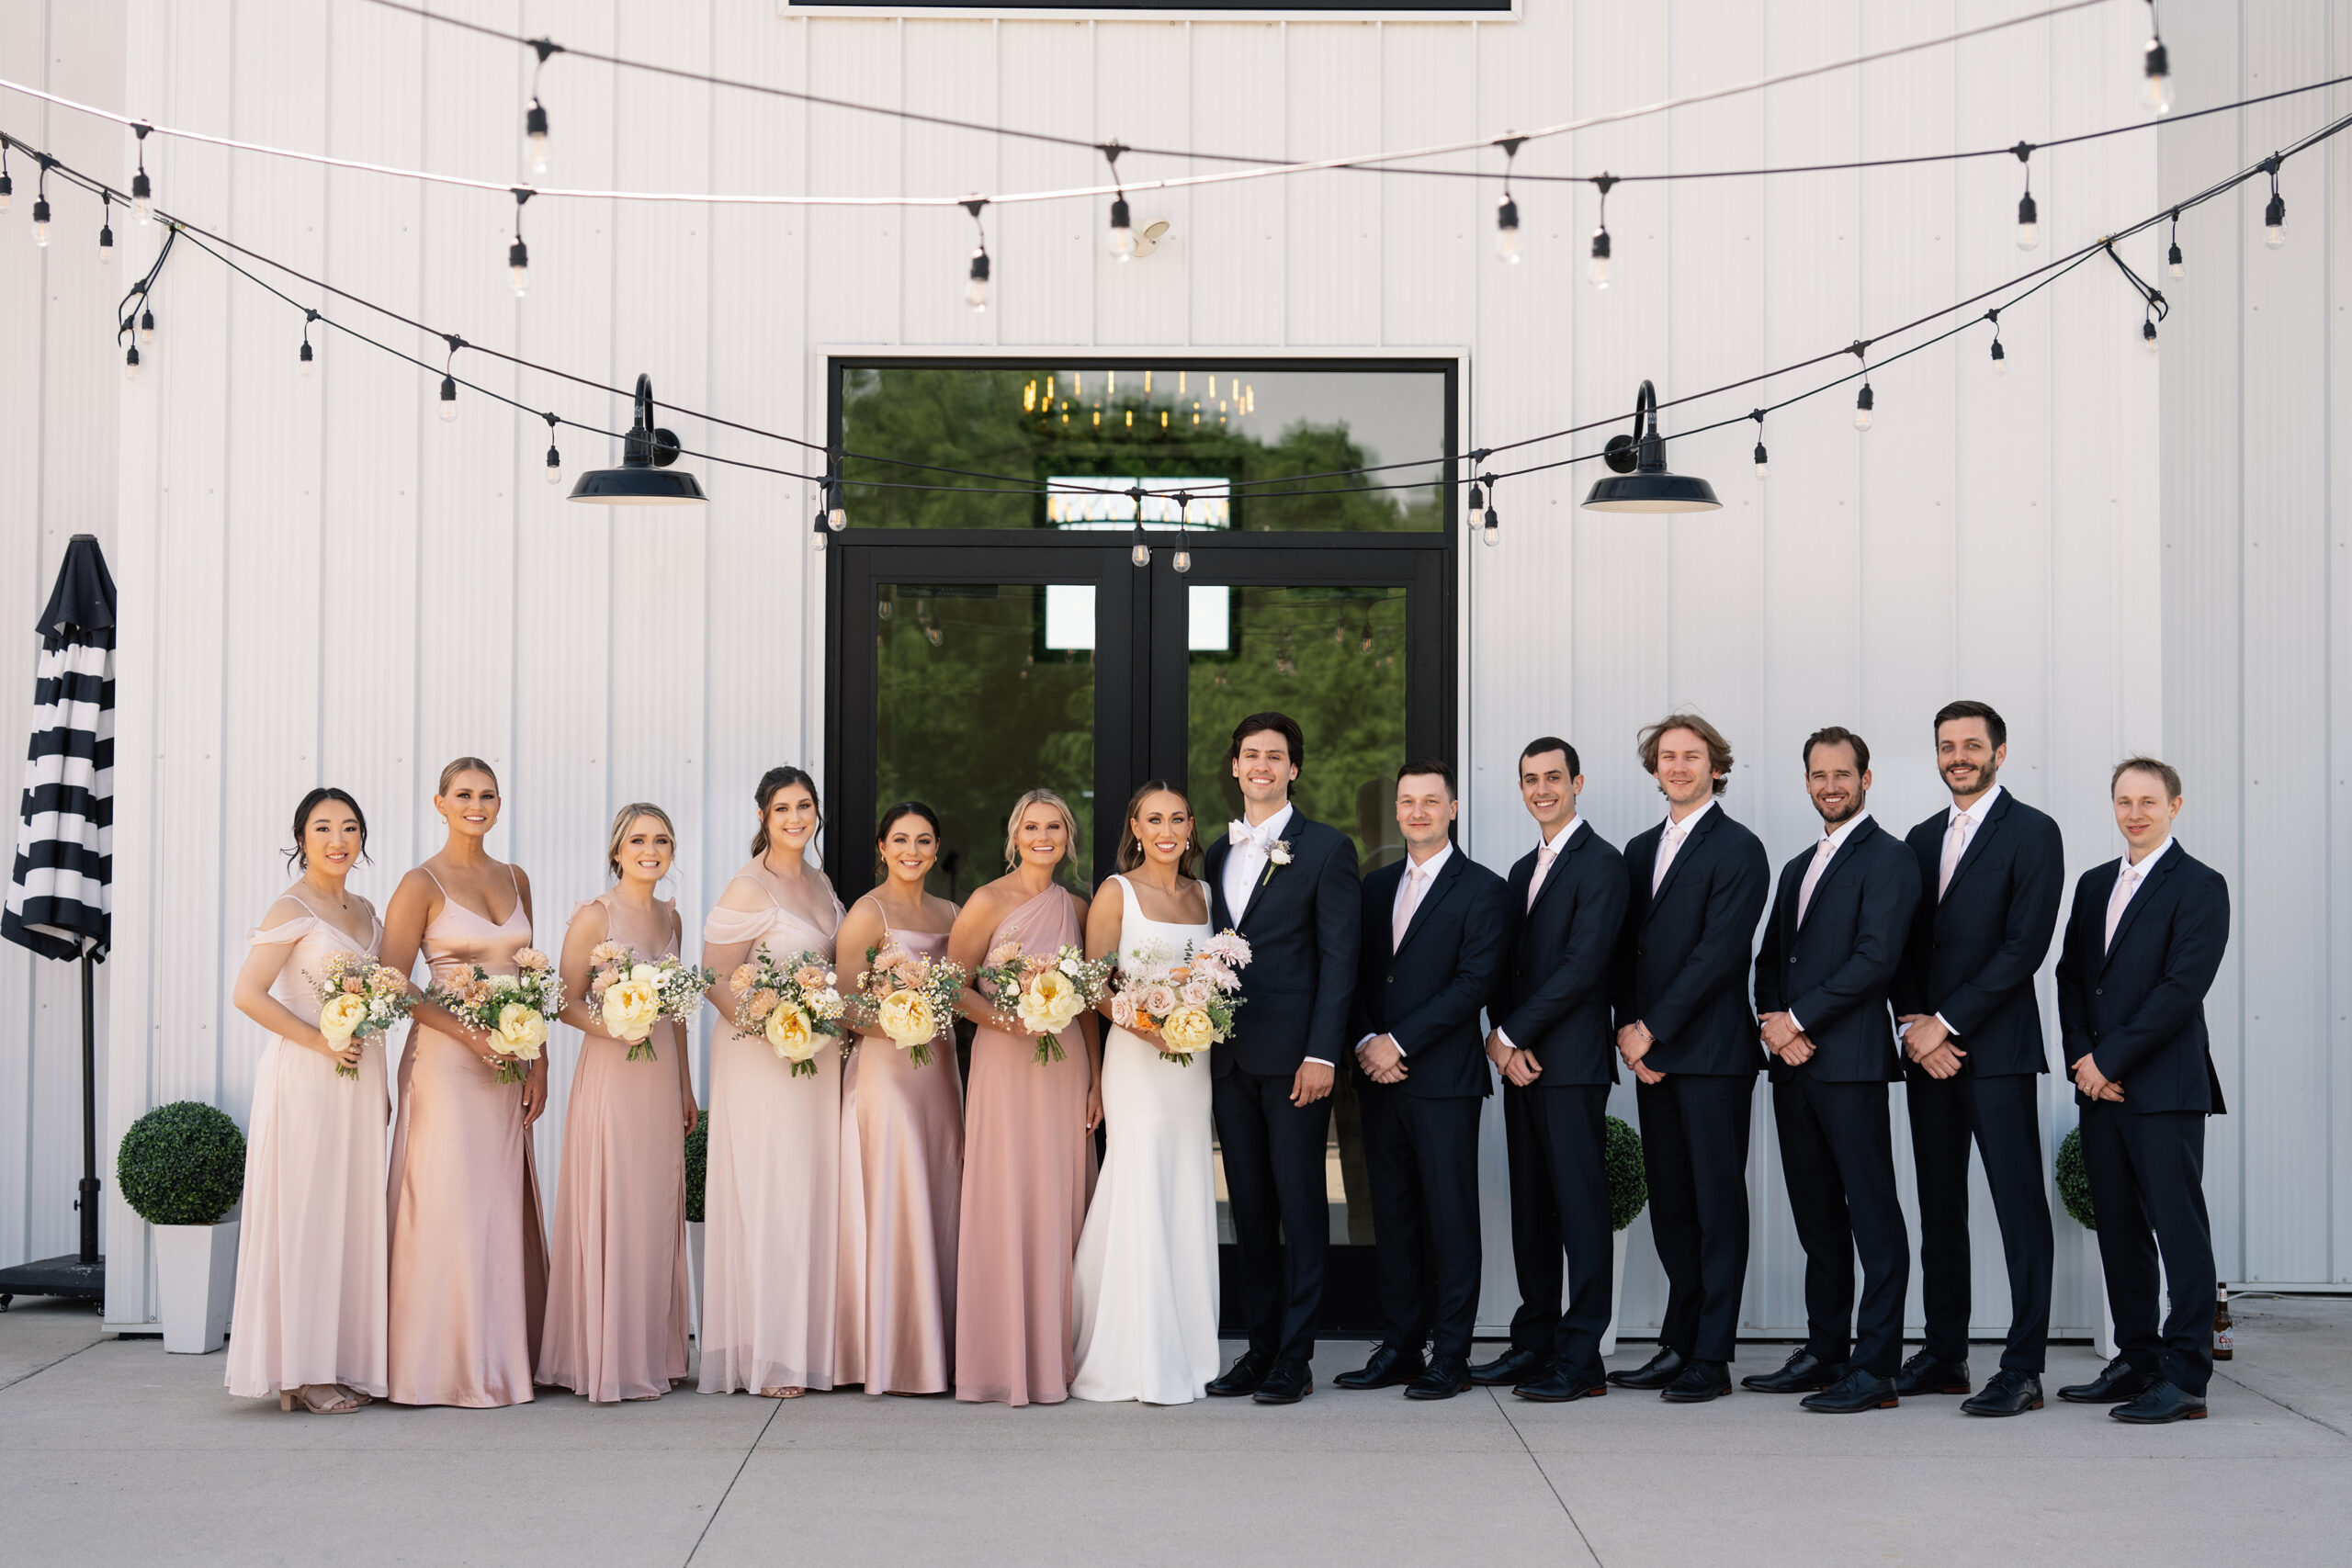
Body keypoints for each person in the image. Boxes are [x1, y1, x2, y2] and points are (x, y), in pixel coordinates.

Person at [1890, 701, 2064, 1416]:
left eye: (1971, 744)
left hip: (1993, 1052)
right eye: (1946, 745)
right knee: (1940, 1208)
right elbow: (1899, 941)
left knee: (2017, 1207)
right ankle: (1945, 1352)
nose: (1958, 755)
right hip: (1927, 1057)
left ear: (1999, 751)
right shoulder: (1920, 836)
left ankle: (2023, 1367)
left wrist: (1947, 1024)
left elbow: (2024, 947)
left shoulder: (2033, 832)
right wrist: (1912, 1029)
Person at [2054, 758, 2231, 1425]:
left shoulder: (2200, 885)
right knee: (2120, 1229)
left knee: (2179, 1230)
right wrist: (2082, 1059)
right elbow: (2070, 975)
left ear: (2175, 806)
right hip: (2099, 1088)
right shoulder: (2095, 883)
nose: (2134, 812)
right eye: (2124, 800)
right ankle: (2137, 1357)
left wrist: (2110, 1058)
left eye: (2148, 801)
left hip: (2163, 1087)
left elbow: (2180, 989)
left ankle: (2185, 1377)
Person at [1751, 727, 1919, 1415]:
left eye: (1842, 774)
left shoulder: (1891, 859)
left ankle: (1875, 1366)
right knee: (1816, 1216)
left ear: (1866, 778)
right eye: (1818, 774)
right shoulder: (1797, 866)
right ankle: (1826, 1349)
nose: (1830, 785)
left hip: (1848, 1064)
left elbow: (1876, 959)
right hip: (1794, 1069)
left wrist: (1800, 1020)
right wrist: (1773, 1025)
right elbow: (1769, 962)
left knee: (1871, 1215)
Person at [1201, 713, 1362, 1405]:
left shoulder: (1327, 848)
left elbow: (1339, 959)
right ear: (1234, 767)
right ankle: (1258, 1349)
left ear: (1294, 767)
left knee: (1301, 1206)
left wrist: (1323, 1051)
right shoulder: (1213, 852)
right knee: (1250, 1212)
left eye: (1275, 756)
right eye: (1250, 755)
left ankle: (1295, 1358)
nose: (1262, 765)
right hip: (1228, 1058)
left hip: (1298, 1060)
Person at [380, 757, 551, 1408]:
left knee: (496, 1202)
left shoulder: (516, 877)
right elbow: (393, 982)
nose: (474, 805)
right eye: (463, 795)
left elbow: (532, 974)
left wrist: (537, 1057)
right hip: (447, 1062)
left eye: (486, 795)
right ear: (440, 802)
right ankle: (436, 1365)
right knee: (447, 1199)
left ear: (499, 805)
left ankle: (501, 1358)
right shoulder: (419, 882)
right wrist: (469, 1033)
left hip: (510, 1060)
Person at [1337, 761, 1509, 1401]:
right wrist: (1363, 1042)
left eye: (1430, 801)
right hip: (1379, 1081)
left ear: (1453, 808)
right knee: (1396, 1217)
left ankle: (1453, 1354)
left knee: (1451, 1217)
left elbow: (1473, 984)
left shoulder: (1483, 889)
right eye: (1407, 801)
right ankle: (1401, 1346)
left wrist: (1397, 1042)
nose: (1416, 811)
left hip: (1442, 1079)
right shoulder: (1373, 886)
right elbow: (1349, 973)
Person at [1610, 715, 1770, 1404]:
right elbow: (1620, 949)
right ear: (1653, 769)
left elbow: (1719, 954)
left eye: (1691, 756)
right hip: (1653, 1056)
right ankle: (1677, 1342)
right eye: (1666, 757)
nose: (1678, 766)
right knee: (1672, 1203)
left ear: (1716, 766)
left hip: (1711, 1055)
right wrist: (1628, 1031)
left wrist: (1654, 1029)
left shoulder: (1740, 848)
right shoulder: (1639, 849)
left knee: (1716, 1205)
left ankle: (1712, 1352)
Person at [223, 788, 390, 1415]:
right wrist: (322, 1040)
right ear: (301, 838)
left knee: (348, 1216)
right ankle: (301, 1369)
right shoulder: (290, 906)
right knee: (307, 1215)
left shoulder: (368, 909)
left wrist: (385, 1083)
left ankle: (338, 1358)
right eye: (323, 827)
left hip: (361, 1076)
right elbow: (248, 992)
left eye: (349, 827)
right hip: (308, 1077)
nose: (337, 838)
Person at [1476, 739, 1630, 1404]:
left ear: (1578, 782)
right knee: (1533, 1208)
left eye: (1554, 777)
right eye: (1531, 779)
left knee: (1580, 1208)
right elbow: (1507, 967)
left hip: (1570, 1064)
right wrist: (1504, 1044)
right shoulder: (1520, 869)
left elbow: (1583, 966)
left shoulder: (1603, 864)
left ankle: (1582, 1356)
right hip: (1522, 1064)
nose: (1542, 788)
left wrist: (1511, 1032)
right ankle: (1534, 1339)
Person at [948, 789, 1102, 1406]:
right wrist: (1010, 1021)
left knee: (1058, 1194)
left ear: (1069, 837)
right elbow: (953, 987)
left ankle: (1054, 1353)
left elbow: (1088, 999)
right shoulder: (986, 900)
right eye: (1033, 826)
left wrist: (1096, 1078)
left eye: (1055, 827)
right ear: (1014, 837)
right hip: (1005, 1060)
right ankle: (998, 1360)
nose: (1044, 836)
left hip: (1063, 1066)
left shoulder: (1080, 906)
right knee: (1005, 1192)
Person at [1070, 782, 1222, 1405]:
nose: (1166, 829)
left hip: (1194, 1064)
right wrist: (1151, 1029)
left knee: (1187, 1184)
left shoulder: (1206, 894)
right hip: (1137, 1059)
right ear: (1134, 827)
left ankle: (1185, 1346)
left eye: (1177, 818)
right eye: (1153, 819)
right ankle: (1130, 1351)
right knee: (1138, 1180)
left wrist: (1196, 1017)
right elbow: (1092, 983)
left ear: (1190, 827)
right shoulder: (1117, 892)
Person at [537, 804, 695, 1403]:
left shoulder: (670, 919)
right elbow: (560, 999)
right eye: (637, 839)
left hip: (658, 1083)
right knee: (616, 1198)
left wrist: (685, 1085)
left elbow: (677, 1011)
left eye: (660, 840)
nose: (649, 850)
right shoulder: (595, 915)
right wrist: (613, 1026)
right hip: (612, 1072)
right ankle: (604, 1355)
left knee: (653, 1207)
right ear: (616, 850)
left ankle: (651, 1351)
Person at [699, 767, 847, 1399]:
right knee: (771, 1193)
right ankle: (768, 1356)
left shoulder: (820, 879)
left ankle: (804, 1346)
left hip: (815, 1057)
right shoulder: (749, 884)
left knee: (807, 1191)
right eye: (783, 807)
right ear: (763, 815)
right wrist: (771, 1030)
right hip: (763, 1060)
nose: (796, 817)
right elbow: (713, 976)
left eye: (805, 805)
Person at [833, 801, 965, 1397]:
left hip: (938, 1073)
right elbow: (840, 1006)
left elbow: (963, 991)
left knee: (938, 1192)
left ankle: (935, 1347)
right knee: (893, 1194)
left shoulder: (952, 912)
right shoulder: (868, 911)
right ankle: (886, 1351)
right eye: (901, 840)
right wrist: (896, 1022)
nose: (913, 850)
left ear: (937, 849)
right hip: (886, 1073)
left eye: (924, 840)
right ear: (882, 847)